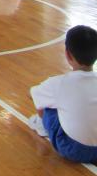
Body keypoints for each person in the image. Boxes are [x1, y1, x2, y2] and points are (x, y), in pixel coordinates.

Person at [28, 25, 97, 164]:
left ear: (68, 54)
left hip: (73, 149)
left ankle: (40, 126)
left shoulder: (58, 83)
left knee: (48, 107)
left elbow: (33, 94)